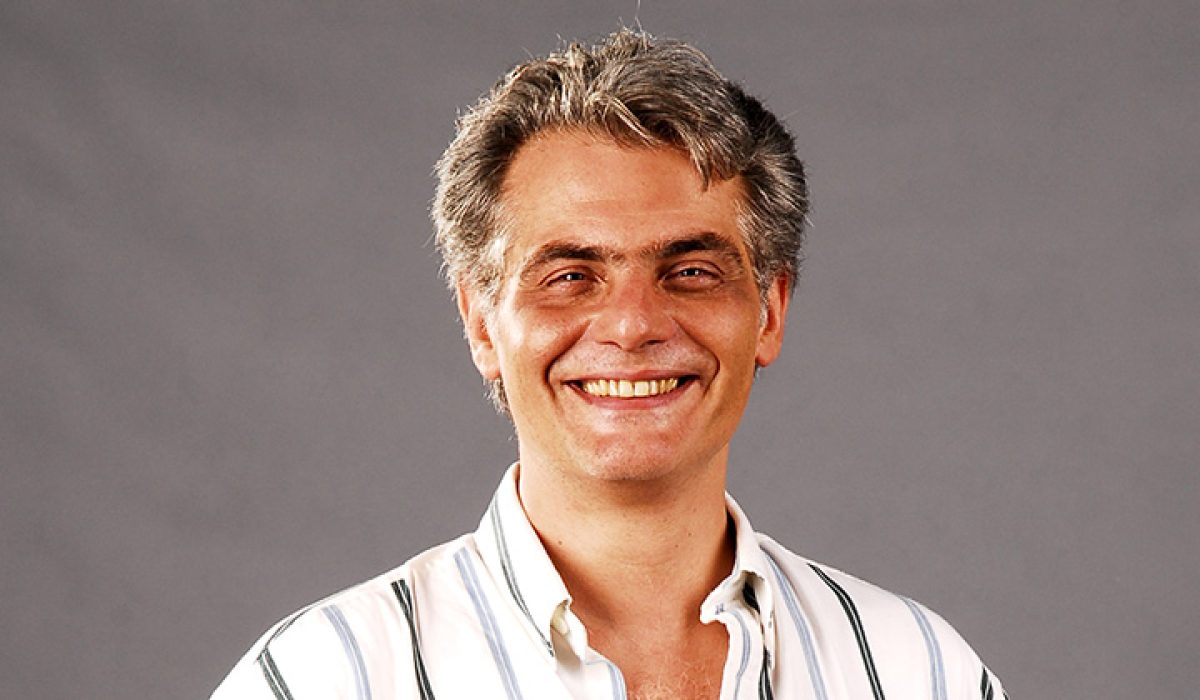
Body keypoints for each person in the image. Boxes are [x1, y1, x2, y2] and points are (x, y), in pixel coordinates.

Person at [212, 29, 1007, 700]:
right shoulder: (322, 679)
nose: (632, 325)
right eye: (569, 276)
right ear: (482, 322)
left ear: (770, 310)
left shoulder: (917, 672)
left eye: (691, 271)